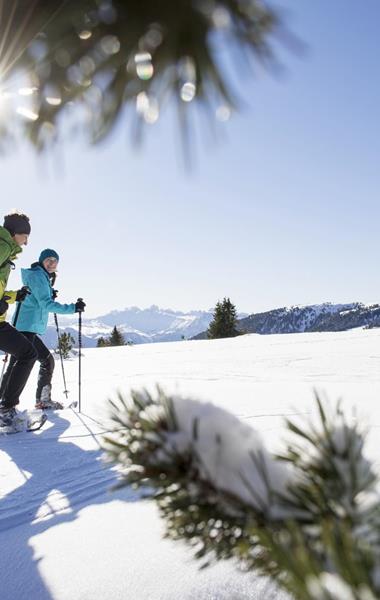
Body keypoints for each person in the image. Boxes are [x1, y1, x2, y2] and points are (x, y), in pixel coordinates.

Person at [1, 248, 86, 410]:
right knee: (45, 361)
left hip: (26, 325)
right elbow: (46, 304)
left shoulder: (40, 276)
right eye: (49, 260)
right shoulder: (39, 277)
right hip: (27, 326)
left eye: (55, 261)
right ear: (42, 261)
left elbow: (37, 299)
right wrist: (73, 308)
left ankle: (7, 402)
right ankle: (37, 401)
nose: (52, 263)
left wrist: (48, 292)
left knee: (17, 364)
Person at [0, 212, 37, 427]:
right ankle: (6, 410)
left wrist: (14, 296)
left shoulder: (5, 248)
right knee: (27, 353)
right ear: (15, 233)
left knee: (25, 353)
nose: (26, 242)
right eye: (25, 236)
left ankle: (6, 408)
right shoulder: (3, 247)